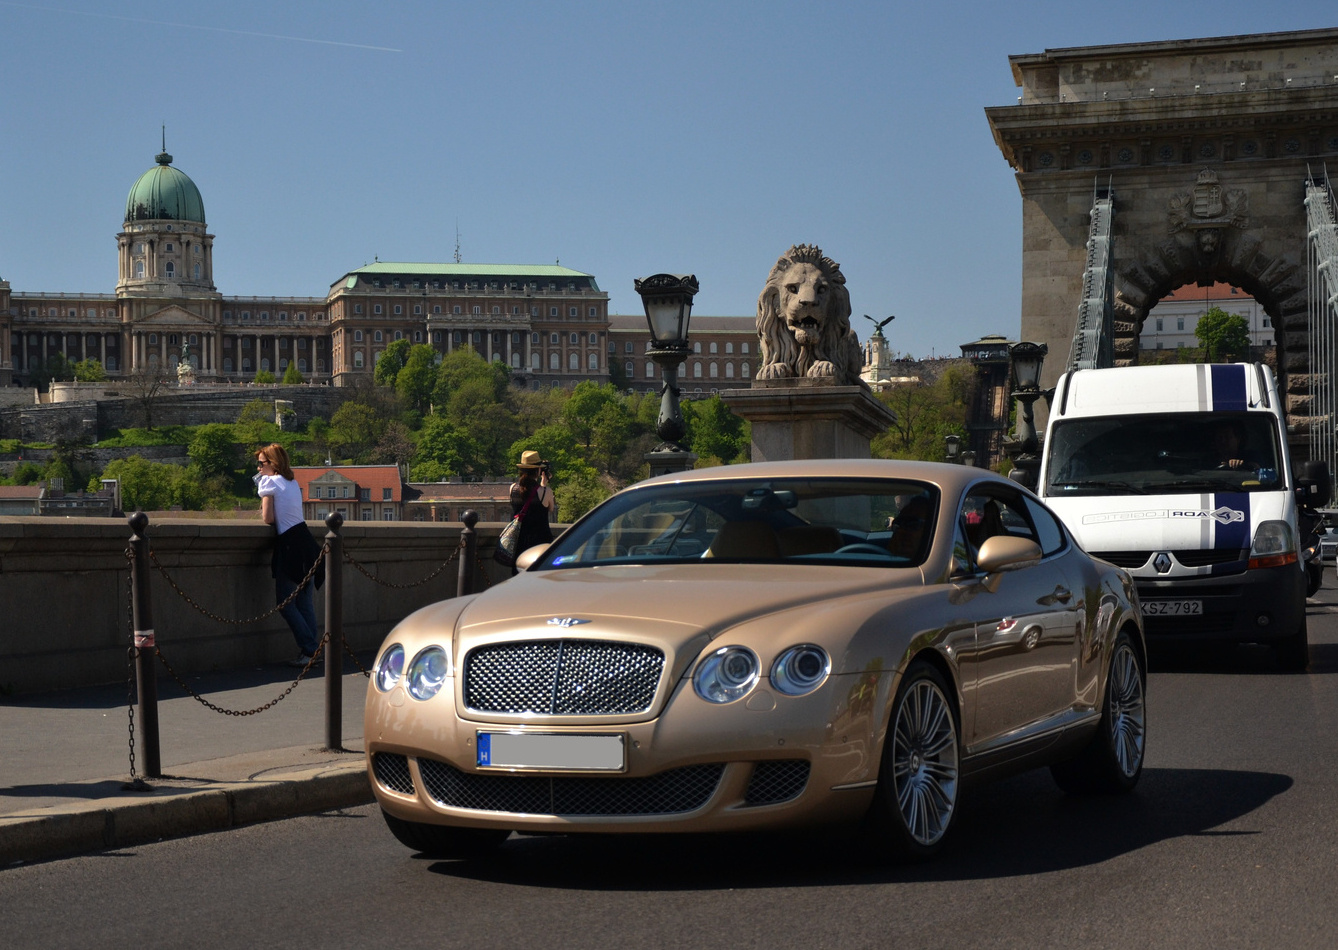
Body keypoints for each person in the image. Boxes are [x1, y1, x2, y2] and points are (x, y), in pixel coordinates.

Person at [255, 443, 322, 666]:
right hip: (306, 541)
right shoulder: (291, 482)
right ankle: (313, 650)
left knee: (285, 602)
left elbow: (268, 518)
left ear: (273, 464)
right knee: (304, 602)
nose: (259, 468)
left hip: (290, 545)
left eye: (262, 463)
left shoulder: (270, 483)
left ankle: (310, 649)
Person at [509, 450, 556, 572]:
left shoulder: (512, 488)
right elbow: (550, 508)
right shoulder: (545, 491)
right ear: (538, 471)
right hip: (540, 542)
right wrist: (544, 484)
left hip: (519, 543)